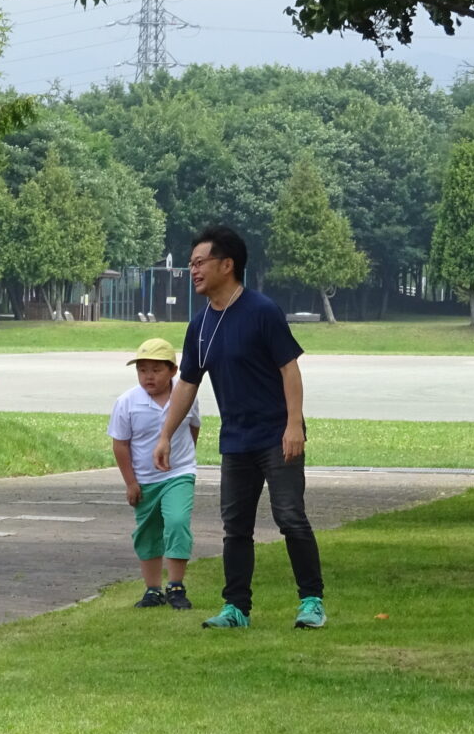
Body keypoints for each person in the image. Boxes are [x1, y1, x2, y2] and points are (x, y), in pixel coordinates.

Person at [154, 225, 326, 630]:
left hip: (276, 434)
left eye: (200, 263)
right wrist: (165, 434)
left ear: (226, 265)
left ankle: (312, 601)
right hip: (236, 440)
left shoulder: (261, 311)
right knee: (236, 527)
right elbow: (187, 385)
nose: (192, 270)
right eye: (190, 264)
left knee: (290, 517)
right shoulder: (200, 325)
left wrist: (294, 425)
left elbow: (289, 368)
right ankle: (236, 609)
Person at [109, 337, 200, 611]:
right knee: (148, 533)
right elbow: (120, 444)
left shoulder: (186, 396)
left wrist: (185, 459)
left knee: (177, 521)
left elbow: (193, 427)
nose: (148, 377)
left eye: (156, 370)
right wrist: (130, 482)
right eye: (142, 370)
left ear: (173, 371)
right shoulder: (127, 402)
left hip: (178, 473)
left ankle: (176, 585)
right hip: (145, 479)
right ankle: (152, 589)